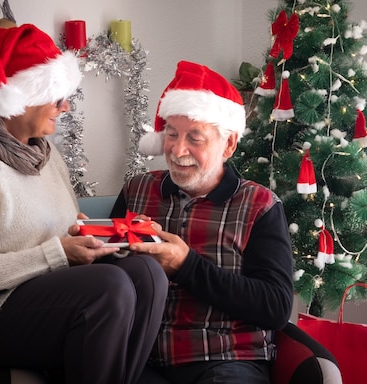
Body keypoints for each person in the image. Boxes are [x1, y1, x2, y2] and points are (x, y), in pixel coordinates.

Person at [0, 23, 167, 384]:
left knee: (148, 274)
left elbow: (63, 228)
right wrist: (58, 252)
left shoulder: (44, 153)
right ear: (21, 98)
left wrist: (96, 234)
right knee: (110, 287)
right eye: (57, 98)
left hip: (48, 293)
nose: (65, 107)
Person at [109, 61, 295, 383]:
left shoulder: (259, 205)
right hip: (142, 358)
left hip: (226, 359)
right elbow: (106, 275)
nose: (178, 150)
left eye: (195, 138)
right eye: (171, 135)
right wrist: (93, 243)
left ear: (229, 144)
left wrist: (186, 266)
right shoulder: (136, 190)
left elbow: (275, 307)